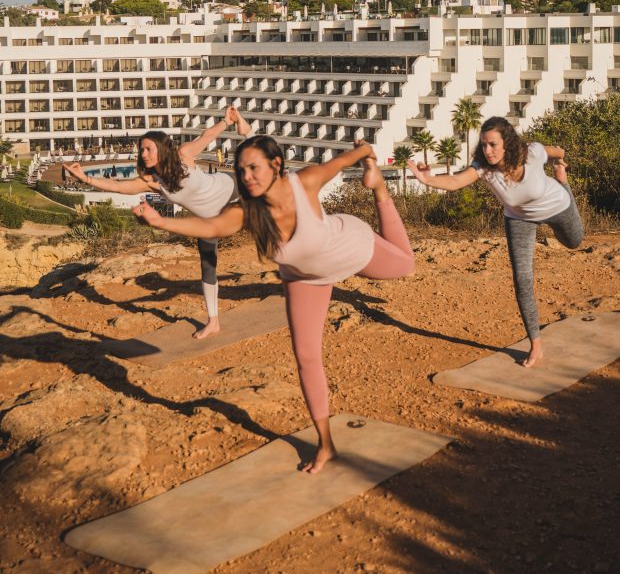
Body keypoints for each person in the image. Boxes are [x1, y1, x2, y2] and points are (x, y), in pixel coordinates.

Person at [132, 137, 415, 473]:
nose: (247, 176)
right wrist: (161, 222)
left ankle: (381, 190)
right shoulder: (246, 211)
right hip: (303, 278)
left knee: (405, 266)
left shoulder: (305, 182)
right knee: (307, 357)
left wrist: (368, 155)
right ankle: (326, 445)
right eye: (241, 170)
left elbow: (344, 159)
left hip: (350, 246)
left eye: (254, 167)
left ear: (276, 165)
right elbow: (210, 226)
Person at [407, 116, 584, 367]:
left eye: (492, 144)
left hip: (557, 205)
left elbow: (557, 150)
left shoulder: (531, 154)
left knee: (574, 242)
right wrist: (428, 180)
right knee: (522, 279)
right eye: (484, 145)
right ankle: (535, 344)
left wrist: (559, 161)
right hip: (519, 219)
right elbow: (456, 181)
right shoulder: (484, 167)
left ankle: (564, 184)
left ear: (507, 143)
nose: (487, 151)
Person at [63, 107, 251, 339]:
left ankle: (249, 133)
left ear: (161, 149)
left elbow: (207, 137)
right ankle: (213, 322)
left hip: (232, 190)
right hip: (208, 220)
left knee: (271, 205)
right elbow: (118, 187)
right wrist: (85, 178)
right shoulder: (152, 182)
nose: (143, 153)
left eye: (148, 148)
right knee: (208, 265)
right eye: (141, 149)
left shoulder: (183, 155)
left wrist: (226, 121)